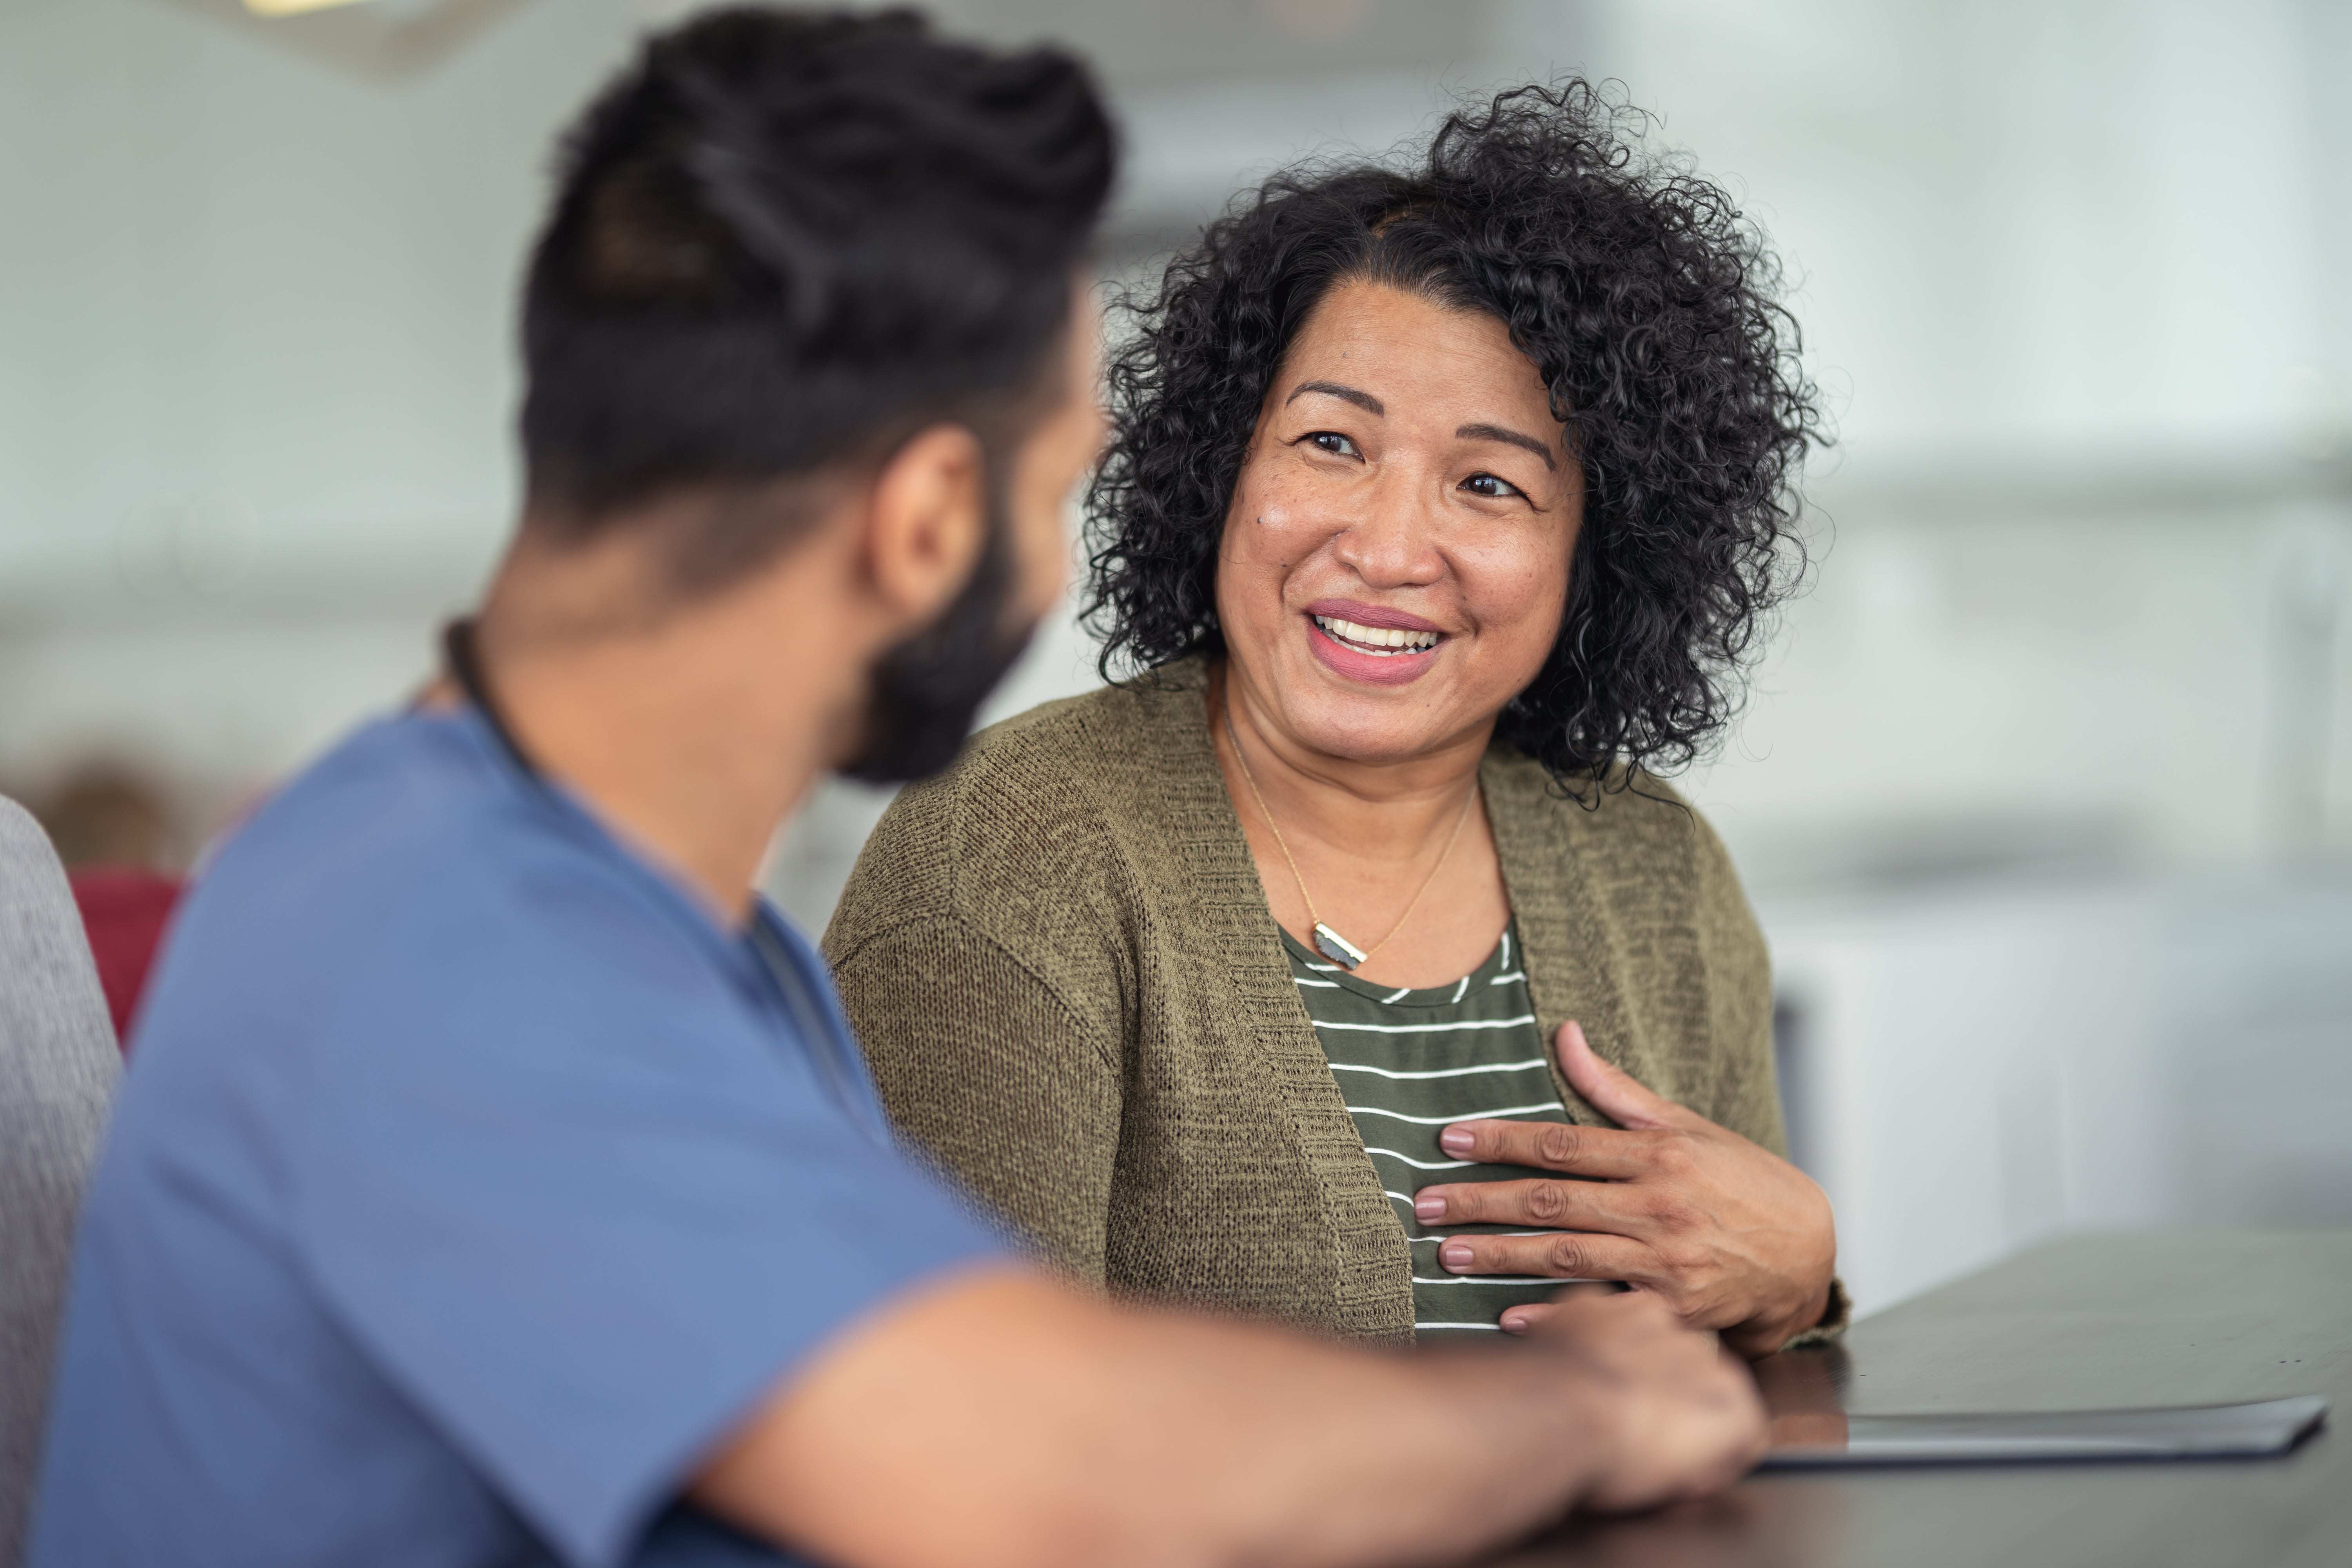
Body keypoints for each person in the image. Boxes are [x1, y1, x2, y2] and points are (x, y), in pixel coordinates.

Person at [27, 11, 1766, 1567]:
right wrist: (1582, 1408)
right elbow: (1044, 1487)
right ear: (928, 519)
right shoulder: (442, 950)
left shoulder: (660, 937)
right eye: (1062, 473)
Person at [828, 82, 1845, 1354]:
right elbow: (962, 1428)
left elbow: (1757, 1400)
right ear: (1224, 465)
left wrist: (1800, 1282)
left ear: (1599, 553)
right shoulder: (1011, 854)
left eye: (1488, 483)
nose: (1386, 546)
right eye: (1330, 445)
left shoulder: (1657, 867)